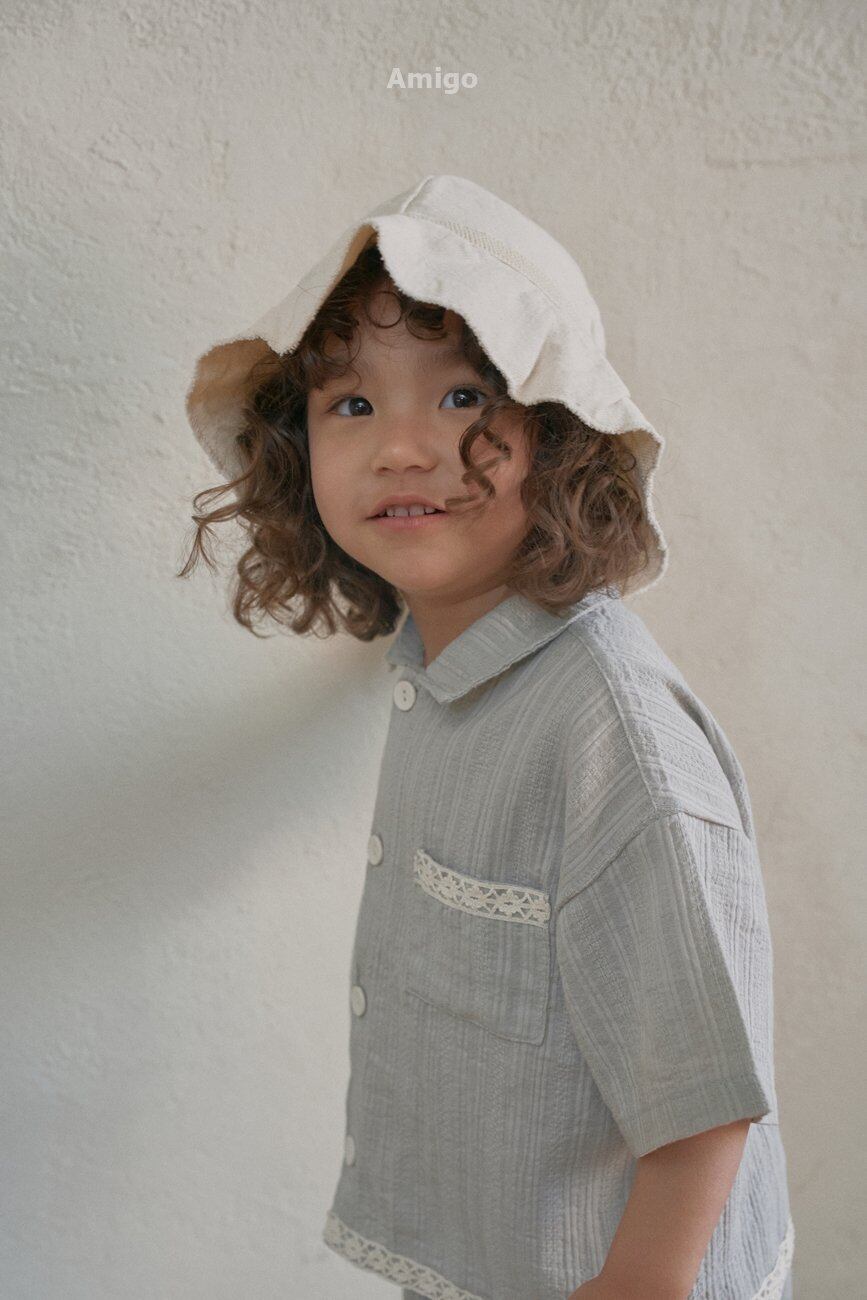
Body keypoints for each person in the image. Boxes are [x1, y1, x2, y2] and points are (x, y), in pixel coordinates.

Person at [181, 175, 795, 1300]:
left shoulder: (611, 738)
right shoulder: (439, 664)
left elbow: (705, 1092)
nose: (403, 448)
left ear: (559, 436)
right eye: (351, 405)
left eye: (463, 396)